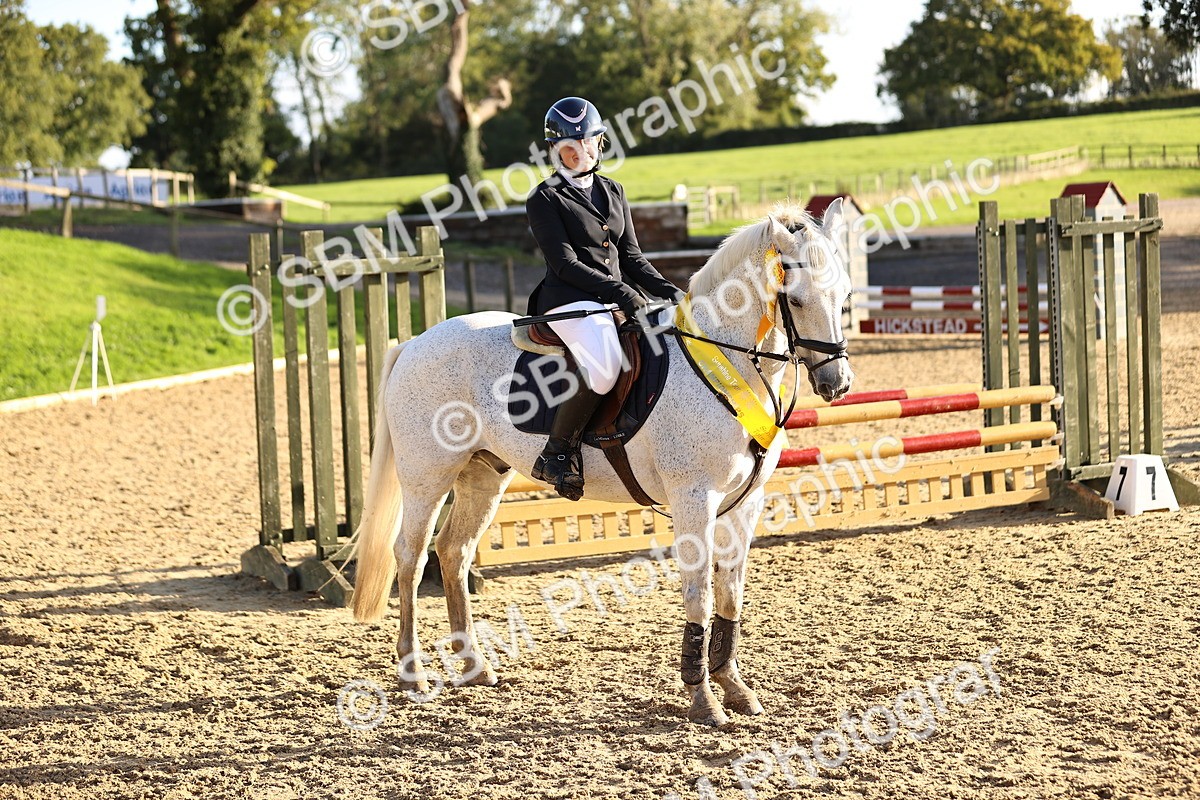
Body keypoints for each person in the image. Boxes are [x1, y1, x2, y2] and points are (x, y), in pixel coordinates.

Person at [525, 96, 686, 501]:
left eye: (588, 142)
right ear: (554, 150)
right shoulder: (545, 197)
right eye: (568, 147)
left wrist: (673, 292)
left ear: (601, 142)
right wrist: (622, 292)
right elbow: (563, 264)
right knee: (605, 363)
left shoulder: (613, 190)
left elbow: (631, 257)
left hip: (613, 298)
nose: (580, 152)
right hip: (567, 301)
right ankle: (557, 452)